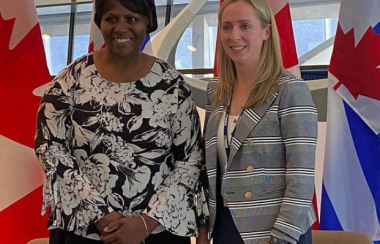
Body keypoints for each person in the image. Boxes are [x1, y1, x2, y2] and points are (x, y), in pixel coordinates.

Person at [34, 0, 204, 243]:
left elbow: (190, 160)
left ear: (148, 22)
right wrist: (101, 216)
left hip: (156, 233)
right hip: (83, 231)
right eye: (111, 19)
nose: (121, 28)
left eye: (132, 19)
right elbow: (49, 147)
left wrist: (144, 224)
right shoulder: (71, 79)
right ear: (100, 22)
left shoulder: (171, 85)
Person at [198, 0, 318, 244]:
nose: (234, 36)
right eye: (227, 27)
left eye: (245, 26)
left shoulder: (291, 90)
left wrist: (281, 238)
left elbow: (301, 178)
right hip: (225, 227)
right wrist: (203, 227)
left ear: (266, 32)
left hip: (277, 232)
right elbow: (210, 169)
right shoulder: (217, 91)